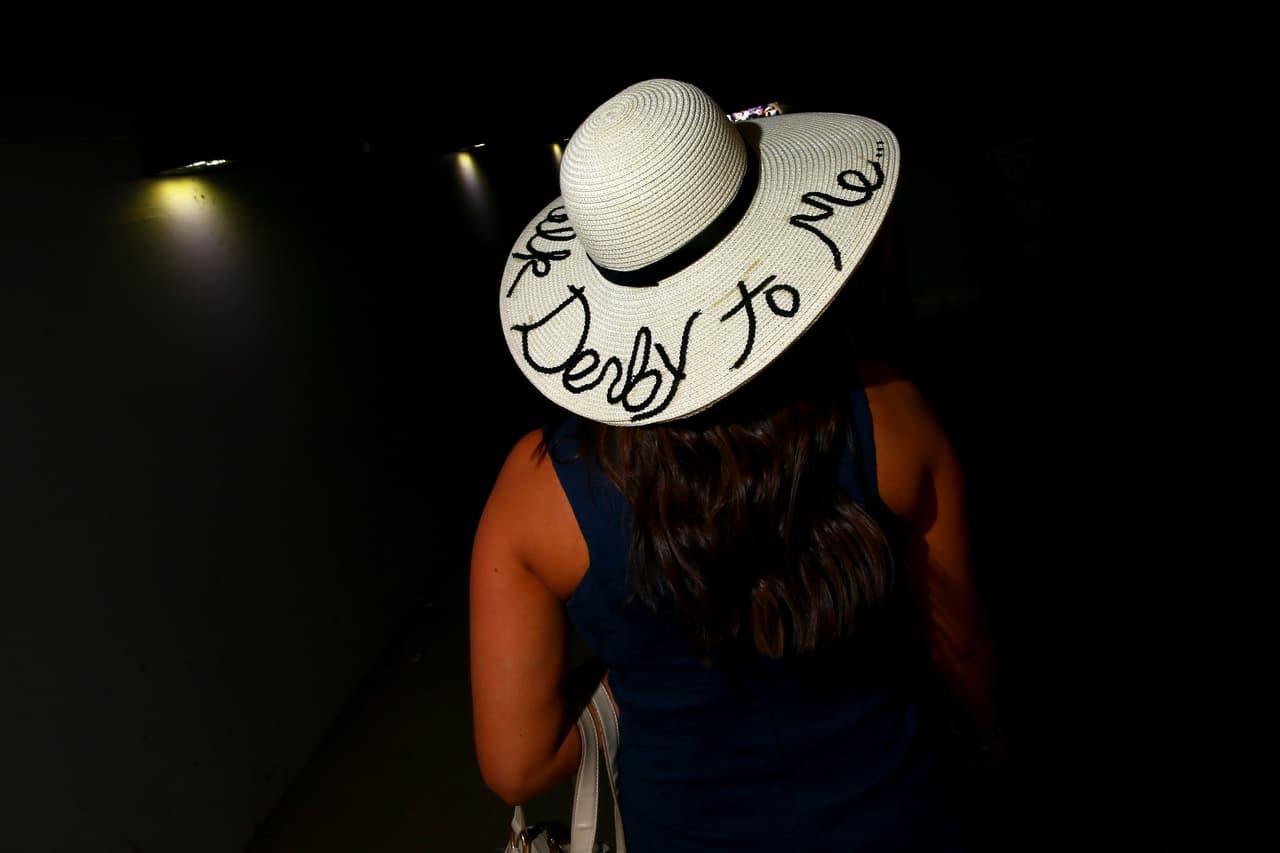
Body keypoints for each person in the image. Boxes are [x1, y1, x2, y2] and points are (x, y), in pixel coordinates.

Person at [470, 77, 1004, 851]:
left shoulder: (535, 493)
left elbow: (518, 765)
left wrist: (630, 690)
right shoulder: (889, 414)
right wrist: (989, 741)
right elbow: (962, 646)